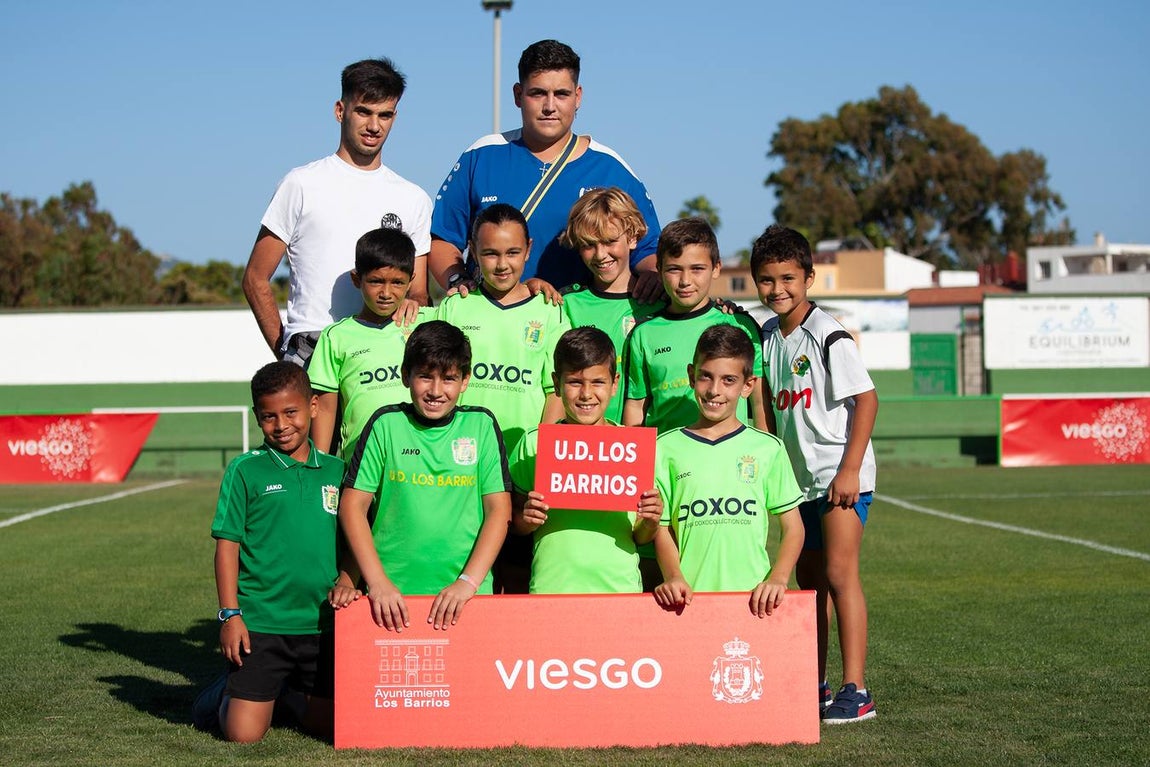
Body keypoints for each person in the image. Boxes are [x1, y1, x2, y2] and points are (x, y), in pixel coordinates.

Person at [752, 223, 879, 723]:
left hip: (838, 476)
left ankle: (857, 689)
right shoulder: (766, 335)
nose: (777, 289)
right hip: (797, 479)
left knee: (839, 573)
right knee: (810, 588)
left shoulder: (828, 334)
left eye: (787, 278)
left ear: (808, 277)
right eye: (767, 279)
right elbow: (766, 402)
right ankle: (817, 683)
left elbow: (866, 400)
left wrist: (849, 468)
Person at [428, 39, 662, 299]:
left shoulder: (611, 168)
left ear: (578, 97)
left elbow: (647, 247)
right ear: (518, 95)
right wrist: (458, 279)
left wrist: (653, 276)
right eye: (538, 93)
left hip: (577, 326)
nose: (550, 106)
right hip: (493, 320)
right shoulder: (481, 155)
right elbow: (443, 239)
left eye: (561, 94)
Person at [243, 58, 432, 366]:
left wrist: (411, 309)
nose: (374, 125)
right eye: (363, 112)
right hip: (312, 347)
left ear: (394, 118)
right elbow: (255, 278)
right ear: (340, 111)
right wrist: (286, 354)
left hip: (382, 354)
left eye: (384, 115)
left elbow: (419, 293)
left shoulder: (414, 198)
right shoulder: (300, 183)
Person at [336, 321, 511, 632]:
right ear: (406, 376)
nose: (435, 391)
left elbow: (499, 511)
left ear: (466, 380)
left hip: (466, 598)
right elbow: (352, 505)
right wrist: (377, 582)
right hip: (390, 600)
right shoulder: (385, 424)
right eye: (425, 377)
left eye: (449, 379)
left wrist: (467, 583)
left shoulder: (481, 426)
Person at [202, 362, 345, 742]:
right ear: (257, 417)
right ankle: (221, 694)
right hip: (261, 624)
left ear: (313, 407)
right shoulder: (245, 470)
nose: (281, 425)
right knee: (242, 737)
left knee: (332, 728)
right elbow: (227, 546)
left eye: (291, 412)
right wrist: (230, 615)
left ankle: (284, 698)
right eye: (268, 416)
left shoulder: (337, 471)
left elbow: (352, 540)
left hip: (322, 626)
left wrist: (347, 579)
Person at [435, 204, 570, 593]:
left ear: (528, 249)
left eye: (512, 253)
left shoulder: (548, 310)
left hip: (523, 471)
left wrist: (541, 459)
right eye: (490, 253)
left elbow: (554, 390)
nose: (502, 264)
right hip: (465, 469)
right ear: (473, 253)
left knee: (519, 582)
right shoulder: (454, 307)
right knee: (466, 578)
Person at [635, 325, 804, 617]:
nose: (715, 390)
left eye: (729, 380)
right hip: (688, 600)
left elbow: (793, 528)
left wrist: (777, 578)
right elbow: (661, 528)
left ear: (748, 385)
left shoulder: (768, 449)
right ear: (691, 375)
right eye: (706, 377)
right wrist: (674, 576)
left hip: (753, 599)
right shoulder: (664, 448)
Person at [509, 327, 663, 593]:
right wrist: (527, 519)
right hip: (551, 588)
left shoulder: (633, 449)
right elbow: (513, 523)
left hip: (619, 590)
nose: (586, 394)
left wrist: (650, 522)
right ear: (556, 383)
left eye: (598, 382)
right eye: (575, 382)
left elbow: (640, 536)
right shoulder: (534, 444)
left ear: (615, 384)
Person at [621, 217, 768, 433]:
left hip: (727, 460)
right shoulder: (644, 333)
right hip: (665, 461)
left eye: (697, 269)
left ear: (716, 268)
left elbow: (759, 402)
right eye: (674, 269)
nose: (685, 281)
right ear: (659, 270)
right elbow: (636, 407)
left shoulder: (740, 325)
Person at [307, 227, 434, 460]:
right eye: (376, 281)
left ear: (411, 281)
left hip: (423, 462)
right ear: (357, 279)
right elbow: (325, 409)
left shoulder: (429, 322)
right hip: (361, 466)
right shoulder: (336, 337)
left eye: (397, 282)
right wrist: (320, 468)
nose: (386, 292)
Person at [558, 187, 665, 424]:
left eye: (609, 241)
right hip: (580, 447)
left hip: (646, 446)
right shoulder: (565, 305)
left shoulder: (661, 303)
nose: (600, 254)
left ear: (633, 237)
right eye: (589, 244)